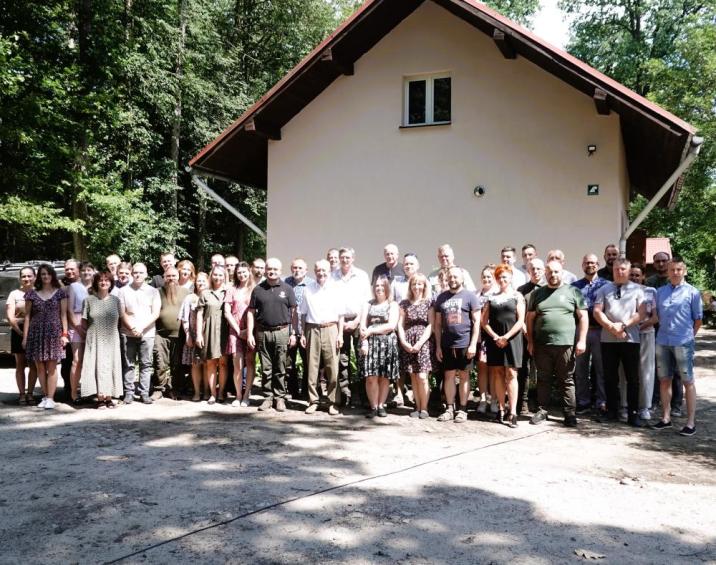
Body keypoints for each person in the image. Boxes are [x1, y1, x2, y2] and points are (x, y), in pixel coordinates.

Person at [526, 260, 587, 427]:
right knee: (543, 378)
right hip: (542, 344)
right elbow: (529, 319)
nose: (553, 275)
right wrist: (530, 341)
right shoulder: (537, 294)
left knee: (566, 379)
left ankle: (569, 413)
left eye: (556, 272)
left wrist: (581, 340)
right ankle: (542, 410)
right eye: (550, 272)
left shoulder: (573, 291)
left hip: (566, 344)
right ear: (546, 274)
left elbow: (583, 317)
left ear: (562, 272)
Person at [593, 258, 646, 427]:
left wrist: (623, 325)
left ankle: (633, 414)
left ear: (629, 270)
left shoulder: (638, 290)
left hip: (630, 339)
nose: (619, 271)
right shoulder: (603, 289)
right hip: (608, 339)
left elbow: (642, 313)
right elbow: (597, 311)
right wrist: (611, 326)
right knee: (610, 377)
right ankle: (611, 412)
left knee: (632, 378)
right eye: (616, 269)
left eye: (623, 269)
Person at [653, 257, 703, 436]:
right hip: (663, 341)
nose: (675, 273)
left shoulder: (693, 292)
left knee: (687, 381)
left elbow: (698, 320)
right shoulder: (660, 292)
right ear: (667, 272)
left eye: (678, 270)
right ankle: (665, 418)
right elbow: (657, 316)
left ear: (685, 271)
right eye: (672, 269)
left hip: (683, 342)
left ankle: (690, 423)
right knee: (664, 380)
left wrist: (688, 337)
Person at [247, 258, 297, 412]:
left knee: (280, 367)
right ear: (265, 270)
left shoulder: (288, 289)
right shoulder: (257, 289)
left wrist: (293, 333)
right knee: (266, 368)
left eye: (275, 269)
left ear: (280, 271)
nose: (272, 271)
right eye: (269, 268)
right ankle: (268, 397)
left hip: (281, 332)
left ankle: (279, 398)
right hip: (262, 332)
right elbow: (250, 312)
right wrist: (250, 333)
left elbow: (294, 312)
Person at [434, 266, 481, 423]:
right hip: (447, 344)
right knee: (448, 376)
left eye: (456, 277)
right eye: (450, 277)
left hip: (465, 343)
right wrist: (439, 346)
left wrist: (473, 343)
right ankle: (449, 408)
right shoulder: (441, 298)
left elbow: (477, 322)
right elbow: (438, 324)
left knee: (464, 376)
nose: (452, 279)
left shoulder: (470, 297)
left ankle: (462, 409)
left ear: (462, 278)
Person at [482, 265, 525, 428]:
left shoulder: (517, 296)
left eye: (505, 277)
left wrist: (506, 337)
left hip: (512, 339)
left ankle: (512, 412)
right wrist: (495, 337)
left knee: (511, 374)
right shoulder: (491, 297)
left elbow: (521, 320)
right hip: (495, 341)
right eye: (499, 277)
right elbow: (483, 321)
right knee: (498, 373)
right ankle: (501, 409)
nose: (502, 280)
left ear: (511, 278)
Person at [300, 259, 345, 415]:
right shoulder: (308, 289)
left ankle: (333, 402)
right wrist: (302, 334)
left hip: (331, 329)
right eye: (318, 270)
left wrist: (340, 334)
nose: (321, 273)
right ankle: (313, 401)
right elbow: (303, 314)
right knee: (312, 367)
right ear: (314, 271)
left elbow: (341, 315)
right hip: (312, 329)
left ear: (329, 271)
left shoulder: (336, 288)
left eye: (324, 270)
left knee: (332, 367)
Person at [22, 264, 69, 410]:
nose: (46, 276)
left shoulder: (60, 293)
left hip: (54, 333)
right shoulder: (31, 294)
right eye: (43, 274)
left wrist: (65, 334)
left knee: (52, 367)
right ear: (39, 276)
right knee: (40, 367)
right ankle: (45, 395)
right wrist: (25, 337)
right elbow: (27, 316)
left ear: (52, 275)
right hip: (36, 333)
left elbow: (63, 315)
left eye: (48, 274)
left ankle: (51, 398)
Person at [332, 247, 371, 407]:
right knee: (342, 360)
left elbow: (366, 301)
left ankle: (363, 396)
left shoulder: (361, 275)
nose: (345, 260)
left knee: (362, 358)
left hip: (358, 320)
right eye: (342, 257)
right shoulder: (332, 276)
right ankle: (346, 395)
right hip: (338, 321)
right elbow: (331, 300)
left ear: (353, 258)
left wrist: (357, 321)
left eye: (348, 257)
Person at [646, 251, 683, 415]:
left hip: (675, 332)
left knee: (676, 370)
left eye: (664, 261)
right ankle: (655, 401)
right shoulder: (649, 282)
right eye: (658, 261)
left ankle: (676, 405)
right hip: (655, 331)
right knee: (656, 368)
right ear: (654, 264)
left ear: (669, 262)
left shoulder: (676, 281)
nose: (661, 264)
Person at [571, 253, 609, 414]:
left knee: (601, 369)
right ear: (582, 265)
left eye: (593, 263)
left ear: (598, 264)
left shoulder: (607, 285)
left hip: (601, 331)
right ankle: (583, 401)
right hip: (581, 331)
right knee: (580, 369)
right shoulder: (574, 286)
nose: (590, 265)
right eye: (587, 263)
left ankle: (602, 401)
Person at [118, 262, 161, 405]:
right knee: (129, 364)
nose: (138, 275)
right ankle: (129, 393)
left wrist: (141, 327)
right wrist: (132, 328)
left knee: (146, 364)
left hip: (147, 333)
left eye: (141, 272)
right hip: (127, 333)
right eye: (135, 272)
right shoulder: (123, 291)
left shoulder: (153, 292)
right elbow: (122, 313)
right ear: (132, 273)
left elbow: (155, 313)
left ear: (146, 274)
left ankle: (144, 393)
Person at [80, 271, 123, 408]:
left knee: (111, 365)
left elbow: (121, 319)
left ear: (111, 283)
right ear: (96, 283)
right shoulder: (88, 300)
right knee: (96, 366)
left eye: (107, 280)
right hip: (95, 338)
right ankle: (99, 398)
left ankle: (109, 397)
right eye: (101, 280)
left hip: (112, 338)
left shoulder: (116, 300)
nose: (104, 282)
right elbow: (83, 322)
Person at [360, 276, 400, 418]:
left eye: (382, 285)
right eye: (377, 285)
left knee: (384, 376)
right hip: (370, 343)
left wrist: (371, 330)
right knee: (371, 377)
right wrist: (364, 341)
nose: (379, 288)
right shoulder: (368, 304)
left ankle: (381, 405)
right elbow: (362, 326)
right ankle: (373, 406)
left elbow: (391, 326)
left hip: (387, 343)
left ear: (387, 287)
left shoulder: (393, 304)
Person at [397, 273, 434, 419]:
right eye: (414, 284)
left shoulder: (429, 302)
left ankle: (424, 408)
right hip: (408, 340)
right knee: (413, 376)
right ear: (410, 286)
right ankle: (417, 407)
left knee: (422, 376)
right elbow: (400, 324)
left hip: (424, 341)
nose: (417, 287)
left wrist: (420, 343)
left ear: (424, 286)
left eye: (420, 284)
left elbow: (431, 324)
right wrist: (404, 342)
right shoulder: (404, 303)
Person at [151, 267, 190, 400]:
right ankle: (159, 388)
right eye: (168, 276)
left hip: (179, 335)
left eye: (174, 276)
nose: (171, 278)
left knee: (177, 364)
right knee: (159, 362)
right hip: (160, 334)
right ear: (164, 278)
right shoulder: (157, 292)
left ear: (178, 277)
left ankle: (175, 389)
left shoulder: (186, 292)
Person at [516, 258, 545, 415]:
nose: (535, 271)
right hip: (524, 335)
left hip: (543, 337)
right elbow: (517, 313)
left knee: (542, 371)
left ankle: (540, 403)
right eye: (532, 269)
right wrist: (526, 333)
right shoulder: (521, 290)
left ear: (544, 270)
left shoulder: (549, 288)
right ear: (528, 271)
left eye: (539, 269)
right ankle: (523, 402)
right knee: (524, 371)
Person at [629, 263, 658, 421]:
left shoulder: (650, 291)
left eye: (637, 275)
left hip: (646, 334)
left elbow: (655, 317)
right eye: (631, 274)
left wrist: (639, 326)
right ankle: (627, 405)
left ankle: (644, 406)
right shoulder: (624, 291)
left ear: (643, 276)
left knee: (646, 371)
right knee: (627, 371)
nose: (634, 278)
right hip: (628, 336)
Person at [195, 266, 228, 404]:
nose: (217, 277)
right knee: (210, 363)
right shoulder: (205, 293)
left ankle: (221, 393)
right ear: (211, 276)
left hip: (225, 331)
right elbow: (199, 314)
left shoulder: (228, 292)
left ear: (224, 276)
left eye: (220, 275)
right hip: (208, 331)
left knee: (223, 363)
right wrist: (198, 334)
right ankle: (213, 394)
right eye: (215, 274)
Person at [224, 261, 256, 407]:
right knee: (237, 364)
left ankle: (246, 395)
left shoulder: (255, 289)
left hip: (251, 331)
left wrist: (248, 331)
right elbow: (227, 312)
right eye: (239, 273)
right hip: (235, 330)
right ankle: (238, 395)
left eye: (244, 272)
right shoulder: (232, 289)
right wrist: (238, 330)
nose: (242, 275)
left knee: (250, 362)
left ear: (249, 271)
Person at [6, 266, 38, 405]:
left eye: (29, 276)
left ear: (35, 277)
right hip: (18, 331)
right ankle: (21, 394)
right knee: (20, 364)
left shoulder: (39, 293)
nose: (26, 279)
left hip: (36, 331)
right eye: (24, 276)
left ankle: (30, 394)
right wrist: (20, 332)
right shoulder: (14, 294)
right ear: (20, 278)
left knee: (34, 365)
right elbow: (10, 316)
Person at [284, 258, 315, 399]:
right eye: (295, 267)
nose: (297, 270)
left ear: (306, 270)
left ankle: (307, 391)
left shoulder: (311, 285)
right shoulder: (284, 283)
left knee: (308, 362)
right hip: (288, 328)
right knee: (288, 362)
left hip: (306, 329)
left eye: (300, 268)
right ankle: (292, 391)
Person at [179, 272, 209, 401]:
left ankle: (207, 392)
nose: (201, 283)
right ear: (195, 283)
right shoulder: (189, 298)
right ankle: (197, 392)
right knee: (195, 364)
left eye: (203, 281)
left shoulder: (211, 296)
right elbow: (184, 318)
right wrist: (188, 335)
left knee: (208, 365)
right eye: (199, 281)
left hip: (208, 335)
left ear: (208, 282)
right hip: (193, 334)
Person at [475, 265, 498, 414]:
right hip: (479, 336)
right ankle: (483, 400)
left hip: (494, 335)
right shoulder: (476, 295)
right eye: (484, 277)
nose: (486, 279)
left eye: (489, 276)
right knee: (482, 368)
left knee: (494, 369)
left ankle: (494, 400)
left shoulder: (497, 294)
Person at [66, 270, 90, 404]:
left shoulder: (97, 285)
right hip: (76, 325)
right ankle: (74, 393)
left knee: (92, 361)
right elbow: (69, 310)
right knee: (77, 360)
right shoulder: (74, 287)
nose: (87, 273)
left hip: (93, 325)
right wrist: (78, 327)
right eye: (84, 271)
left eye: (90, 271)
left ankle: (90, 391)